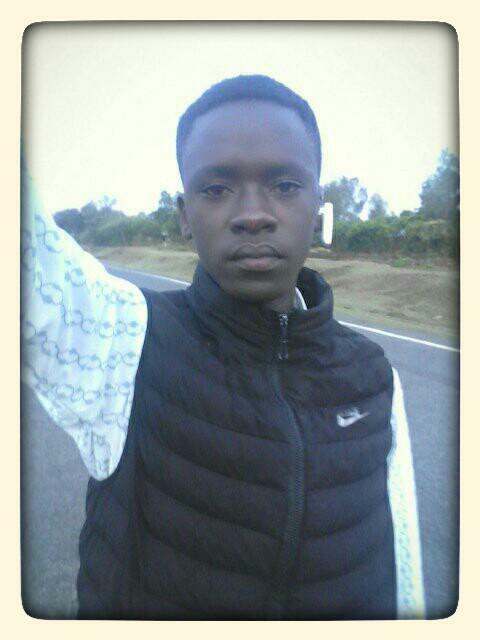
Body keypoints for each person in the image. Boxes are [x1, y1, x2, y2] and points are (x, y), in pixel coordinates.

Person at [21, 74, 425, 620]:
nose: (253, 213)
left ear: (318, 208)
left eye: (286, 185)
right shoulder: (121, 342)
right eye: (215, 189)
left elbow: (403, 571)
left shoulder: (373, 376)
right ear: (184, 215)